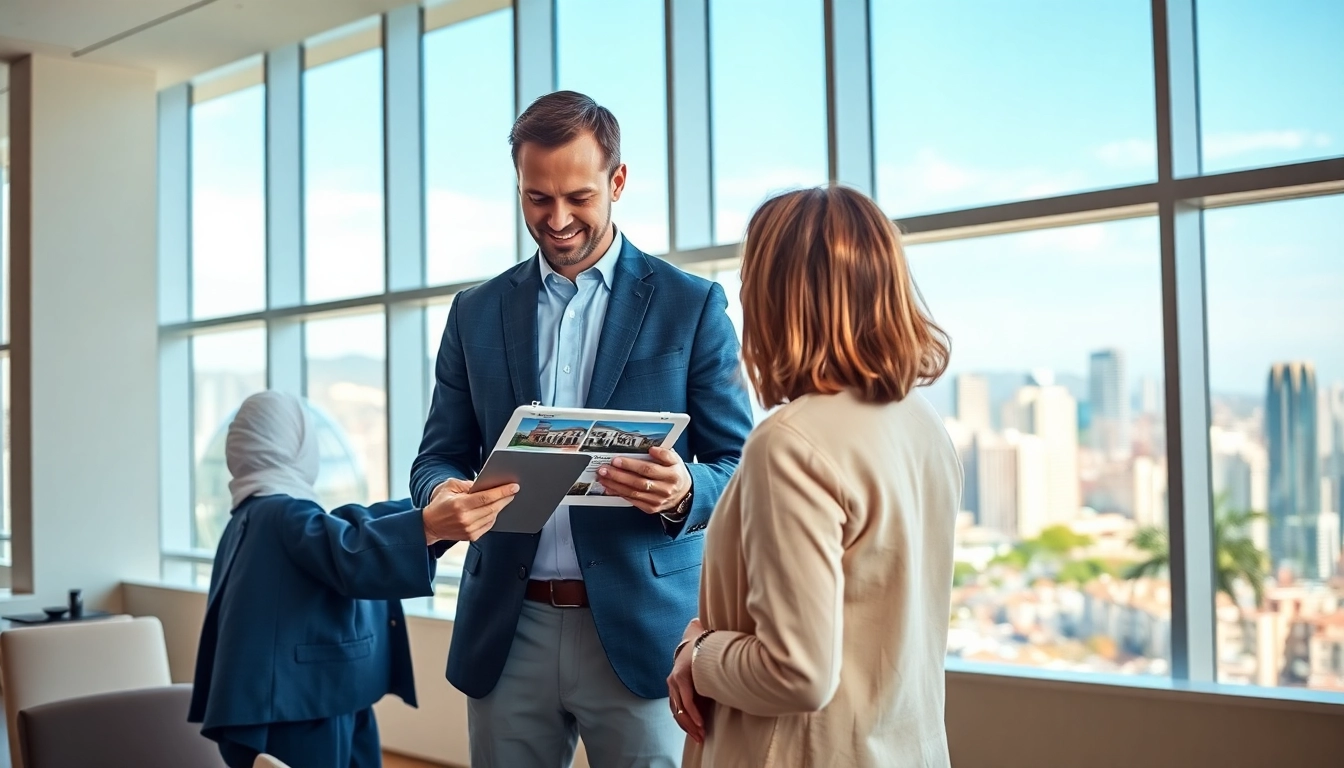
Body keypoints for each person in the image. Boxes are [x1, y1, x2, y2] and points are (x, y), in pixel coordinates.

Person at [410, 90, 753, 767]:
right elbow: (436, 455)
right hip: (508, 629)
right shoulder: (474, 313)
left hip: (640, 629)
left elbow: (740, 463)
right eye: (537, 199)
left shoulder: (691, 305)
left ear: (617, 182)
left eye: (578, 196)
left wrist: (685, 490)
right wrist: (444, 492)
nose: (558, 219)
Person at [667, 186, 962, 767]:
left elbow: (795, 672)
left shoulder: (791, 444)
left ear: (779, 296)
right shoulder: (922, 424)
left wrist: (699, 650)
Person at [188, 390, 517, 768]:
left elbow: (339, 528)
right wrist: (427, 524)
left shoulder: (249, 515)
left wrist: (424, 512)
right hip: (307, 702)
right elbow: (347, 551)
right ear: (293, 445)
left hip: (292, 697)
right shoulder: (280, 513)